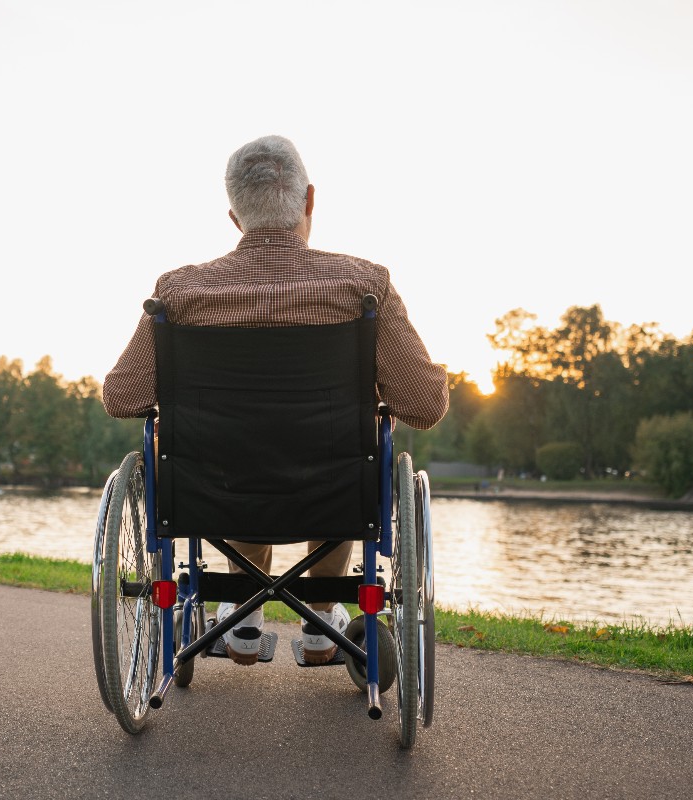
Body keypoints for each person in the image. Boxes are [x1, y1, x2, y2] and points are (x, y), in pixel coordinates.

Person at [101, 135, 448, 665]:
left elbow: (122, 396)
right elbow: (424, 405)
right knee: (339, 455)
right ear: (309, 200)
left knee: (239, 456)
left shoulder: (179, 293)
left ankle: (242, 620)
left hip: (215, 488)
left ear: (235, 217)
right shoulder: (362, 287)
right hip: (333, 490)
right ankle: (322, 623)